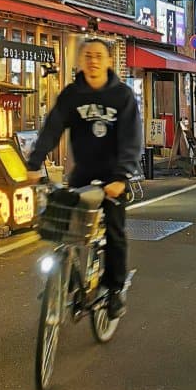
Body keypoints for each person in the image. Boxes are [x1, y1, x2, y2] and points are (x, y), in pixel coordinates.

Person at [25, 37, 142, 319]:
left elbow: (131, 139)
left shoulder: (122, 96)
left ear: (109, 61)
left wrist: (122, 176)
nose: (93, 61)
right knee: (64, 226)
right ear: (80, 61)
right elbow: (52, 128)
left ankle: (115, 290)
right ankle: (65, 279)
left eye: (99, 56)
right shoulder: (72, 95)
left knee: (114, 231)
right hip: (82, 175)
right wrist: (34, 162)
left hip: (113, 178)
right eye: (88, 56)